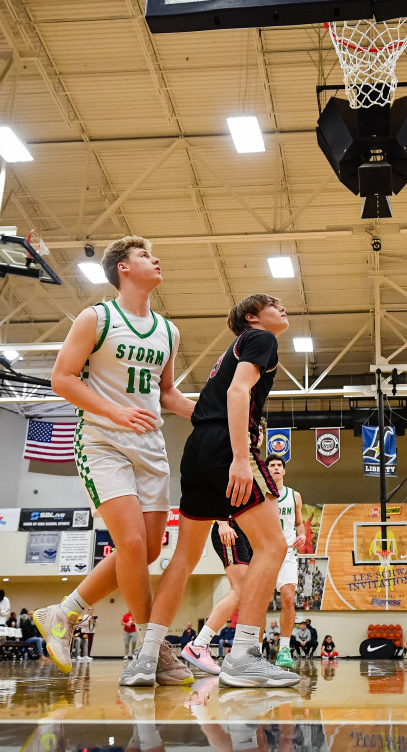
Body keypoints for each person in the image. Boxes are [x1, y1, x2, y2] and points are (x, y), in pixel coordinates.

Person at [36, 236, 196, 688]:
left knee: (145, 552)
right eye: (145, 255)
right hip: (103, 441)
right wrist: (113, 410)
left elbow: (164, 393)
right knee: (128, 543)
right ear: (123, 269)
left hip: (150, 448)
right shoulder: (97, 318)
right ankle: (153, 646)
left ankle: (63, 612)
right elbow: (62, 379)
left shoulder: (168, 330)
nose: (155, 259)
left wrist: (207, 413)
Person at [143, 294, 300, 688]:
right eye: (274, 305)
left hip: (197, 447)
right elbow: (237, 394)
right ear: (252, 317)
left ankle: (147, 656)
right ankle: (244, 655)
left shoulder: (233, 351)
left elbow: (199, 405)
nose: (283, 309)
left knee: (183, 557)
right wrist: (242, 457)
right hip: (224, 447)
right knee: (274, 546)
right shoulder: (261, 339)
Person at [180, 515, 253, 675]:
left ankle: (248, 653)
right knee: (240, 590)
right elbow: (220, 490)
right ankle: (199, 644)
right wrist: (223, 523)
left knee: (250, 595)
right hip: (232, 527)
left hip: (250, 532)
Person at [265, 454, 309, 669]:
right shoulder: (261, 495)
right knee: (258, 602)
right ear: (267, 471)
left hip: (288, 554)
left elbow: (299, 524)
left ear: (284, 471)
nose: (275, 468)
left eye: (279, 465)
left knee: (289, 598)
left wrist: (302, 536)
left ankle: (284, 649)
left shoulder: (294, 496)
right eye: (271, 465)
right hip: (265, 553)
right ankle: (253, 648)